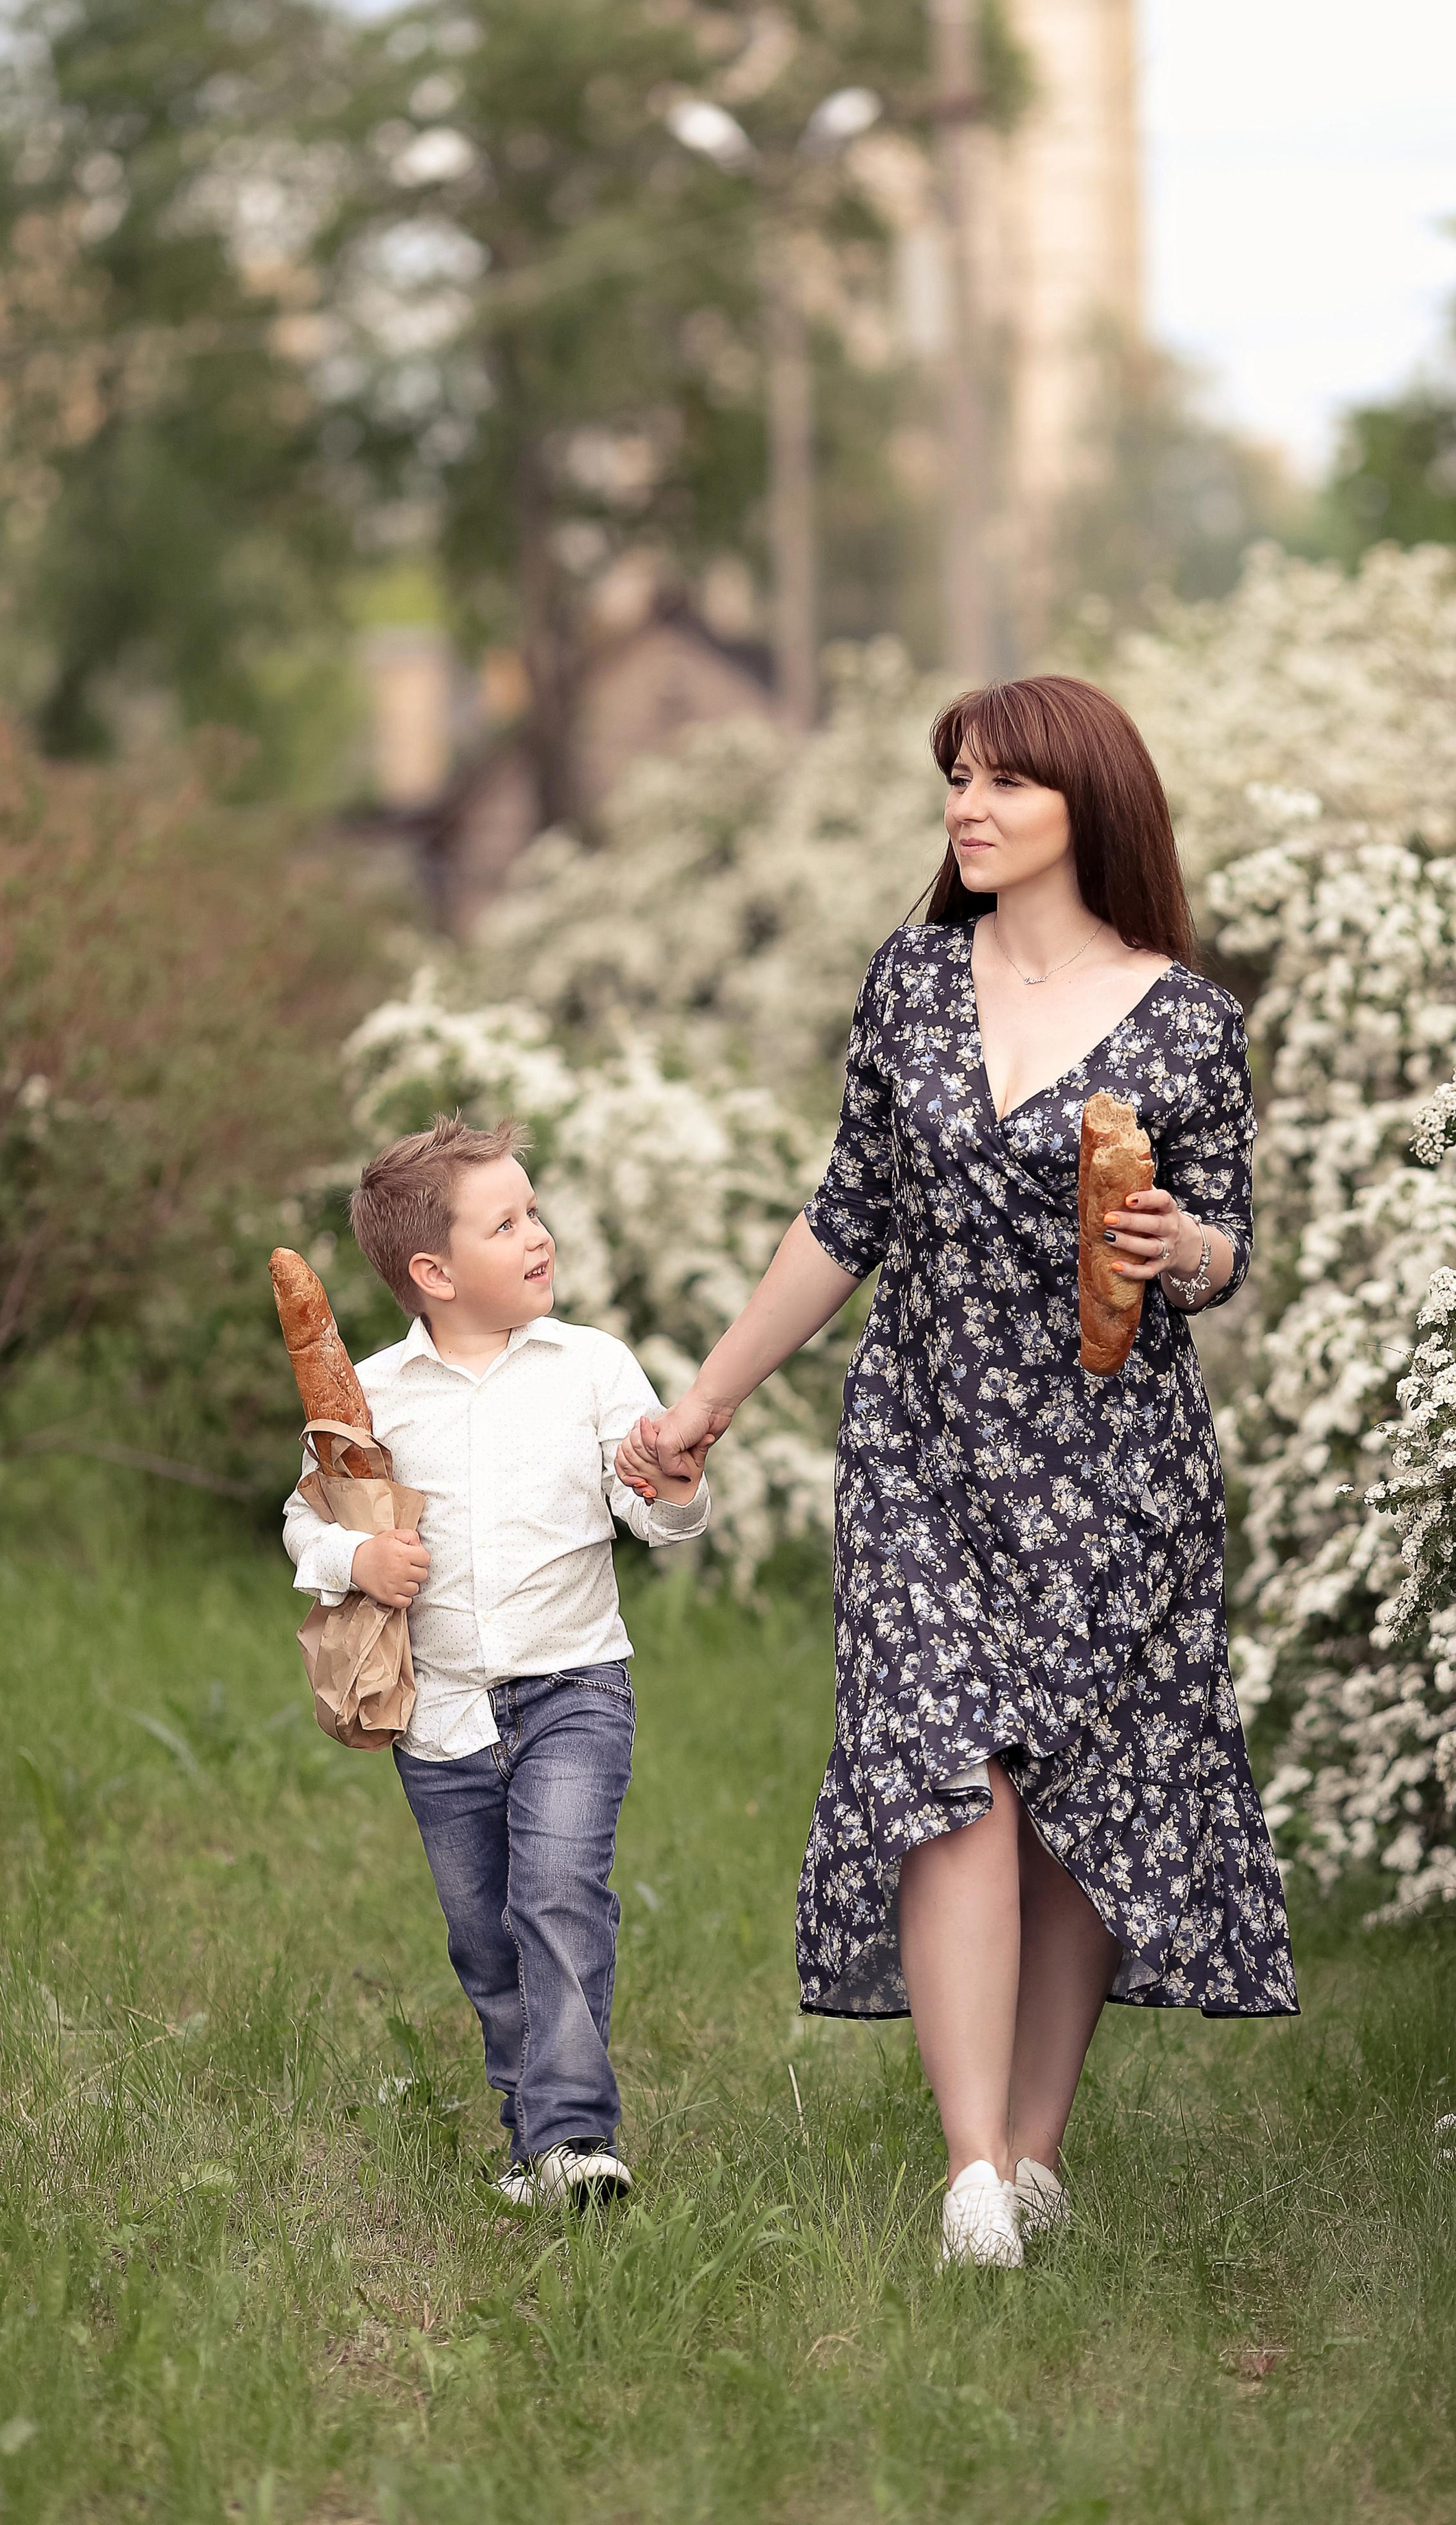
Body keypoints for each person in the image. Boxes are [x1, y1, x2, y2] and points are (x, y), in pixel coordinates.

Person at [616, 675, 1296, 2270]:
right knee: (948, 1771)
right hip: (921, 1440)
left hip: (1107, 1459)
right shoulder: (911, 982)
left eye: (1000, 782)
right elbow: (844, 1211)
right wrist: (705, 1398)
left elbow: (1224, 1251)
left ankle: (1035, 2152)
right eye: (955, 780)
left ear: (1088, 807)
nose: (965, 808)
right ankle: (968, 2174)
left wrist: (1179, 1245)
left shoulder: (1188, 1023)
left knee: (1073, 1797)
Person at [283, 1113, 709, 2210]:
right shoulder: (373, 1395)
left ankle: (577, 2136)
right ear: (433, 1272)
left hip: (575, 1687)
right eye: (506, 1221)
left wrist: (673, 1486)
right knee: (486, 1939)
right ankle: (534, 2144)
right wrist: (357, 1555)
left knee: (559, 1898)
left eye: (535, 1210)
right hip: (440, 1718)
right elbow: (304, 1521)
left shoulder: (590, 1367)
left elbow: (652, 1514)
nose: (540, 1234)